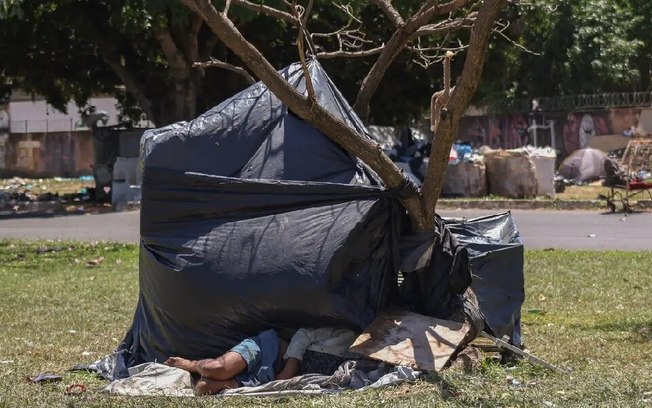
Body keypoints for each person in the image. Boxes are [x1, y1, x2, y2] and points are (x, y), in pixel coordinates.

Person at [165, 327, 358, 395]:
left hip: (268, 377)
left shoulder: (360, 363)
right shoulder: (349, 336)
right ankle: (192, 364)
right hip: (269, 348)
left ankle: (216, 378)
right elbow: (304, 334)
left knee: (203, 388)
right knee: (219, 368)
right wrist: (291, 367)